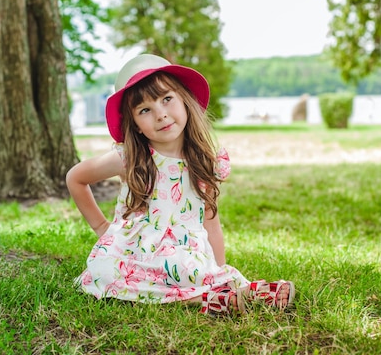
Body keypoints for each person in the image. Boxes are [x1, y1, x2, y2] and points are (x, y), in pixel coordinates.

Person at [66, 54, 294, 315]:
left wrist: (218, 270)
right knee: (103, 270)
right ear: (136, 125)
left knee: (190, 268)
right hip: (134, 253)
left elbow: (211, 225)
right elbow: (76, 178)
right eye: (145, 110)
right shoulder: (129, 158)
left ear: (184, 100)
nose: (161, 115)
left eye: (167, 99)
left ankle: (231, 291)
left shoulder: (206, 162)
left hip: (186, 256)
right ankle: (207, 298)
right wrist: (102, 228)